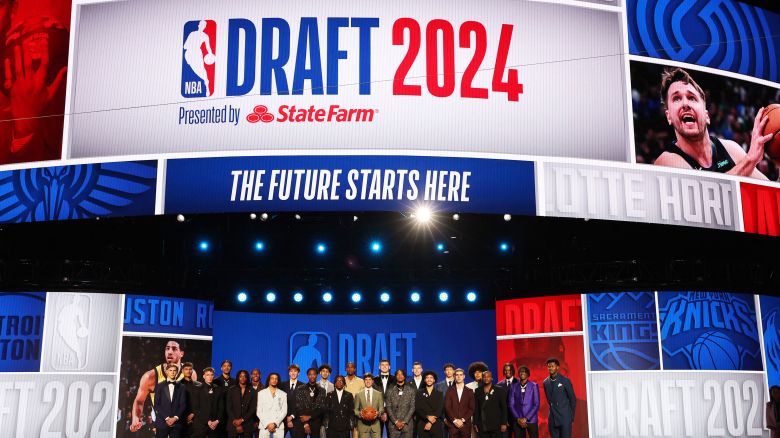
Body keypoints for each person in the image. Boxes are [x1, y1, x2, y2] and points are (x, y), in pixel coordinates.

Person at [653, 67, 773, 180]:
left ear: (707, 116)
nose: (685, 104)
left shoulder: (731, 149)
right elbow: (706, 194)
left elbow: (773, 194)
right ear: (669, 117)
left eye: (691, 98)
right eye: (676, 98)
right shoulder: (666, 162)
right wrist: (750, 160)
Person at [130, 340, 194, 432]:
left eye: (174, 349)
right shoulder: (150, 376)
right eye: (167, 349)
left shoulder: (191, 374)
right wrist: (135, 418)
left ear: (181, 353)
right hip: (161, 425)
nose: (170, 352)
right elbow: (139, 401)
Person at [541, 358, 575, 438]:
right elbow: (549, 400)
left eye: (552, 366)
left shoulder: (565, 380)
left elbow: (572, 399)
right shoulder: (545, 382)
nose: (550, 368)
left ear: (557, 367)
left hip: (565, 418)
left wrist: (571, 417)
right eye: (549, 366)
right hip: (553, 418)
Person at [154, 363, 189, 438]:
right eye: (170, 370)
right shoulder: (159, 386)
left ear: (177, 372)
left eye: (174, 370)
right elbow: (157, 404)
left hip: (177, 423)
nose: (172, 372)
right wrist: (167, 418)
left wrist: (175, 418)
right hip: (162, 423)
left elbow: (183, 404)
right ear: (166, 371)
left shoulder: (182, 387)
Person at [293, 367, 328, 438]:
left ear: (317, 375)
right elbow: (299, 406)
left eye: (314, 374)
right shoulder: (300, 388)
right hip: (302, 421)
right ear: (307, 376)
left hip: (316, 421)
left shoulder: (322, 390)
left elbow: (321, 407)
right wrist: (305, 423)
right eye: (310, 374)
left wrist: (310, 417)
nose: (312, 376)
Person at [191, 367, 224, 438]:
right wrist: (207, 421)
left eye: (211, 375)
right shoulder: (197, 389)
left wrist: (217, 421)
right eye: (208, 375)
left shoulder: (218, 390)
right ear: (204, 376)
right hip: (200, 424)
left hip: (215, 425)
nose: (210, 377)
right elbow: (195, 408)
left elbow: (221, 407)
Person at [474, 371, 507, 438]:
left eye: (488, 377)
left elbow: (504, 408)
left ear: (491, 378)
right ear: (482, 378)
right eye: (484, 377)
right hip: (483, 425)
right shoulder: (477, 391)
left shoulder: (499, 390)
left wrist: (504, 423)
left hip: (496, 425)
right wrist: (475, 423)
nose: (486, 378)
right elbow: (476, 408)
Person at [507, 367, 538, 438]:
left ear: (528, 374)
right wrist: (518, 418)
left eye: (524, 371)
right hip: (518, 420)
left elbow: (536, 404)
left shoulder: (534, 386)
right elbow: (511, 404)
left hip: (531, 419)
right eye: (520, 371)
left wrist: (526, 418)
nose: (522, 373)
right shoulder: (513, 387)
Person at [227, 370, 258, 438]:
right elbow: (228, 407)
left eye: (245, 376)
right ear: (238, 377)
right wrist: (235, 421)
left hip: (247, 424)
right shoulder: (231, 389)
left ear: (247, 378)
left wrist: (242, 420)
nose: (243, 378)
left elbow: (253, 408)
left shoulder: (252, 391)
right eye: (240, 376)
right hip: (233, 423)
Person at [385, 369, 416, 438]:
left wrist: (404, 421)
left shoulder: (411, 390)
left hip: (407, 424)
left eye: (402, 374)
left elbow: (412, 407)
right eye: (398, 374)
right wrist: (395, 421)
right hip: (393, 425)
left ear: (404, 376)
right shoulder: (390, 390)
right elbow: (388, 407)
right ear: (395, 377)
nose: (400, 376)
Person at [444, 369, 474, 438]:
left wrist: (462, 420)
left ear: (464, 376)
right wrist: (455, 420)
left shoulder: (470, 391)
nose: (459, 377)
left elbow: (471, 408)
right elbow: (447, 407)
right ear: (454, 376)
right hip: (453, 425)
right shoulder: (449, 390)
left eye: (461, 375)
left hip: (465, 425)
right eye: (457, 375)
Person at [257, 372, 288, 438]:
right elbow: (259, 412)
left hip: (278, 425)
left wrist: (275, 424)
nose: (274, 380)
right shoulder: (261, 393)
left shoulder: (283, 394)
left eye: (276, 379)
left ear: (278, 381)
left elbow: (284, 411)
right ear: (269, 380)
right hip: (264, 425)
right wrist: (267, 424)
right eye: (272, 378)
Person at [415, 371, 444, 438]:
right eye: (427, 378)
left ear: (434, 380)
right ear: (424, 380)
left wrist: (430, 422)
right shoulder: (419, 393)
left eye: (431, 378)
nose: (429, 379)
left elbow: (440, 408)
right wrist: (427, 417)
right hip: (423, 422)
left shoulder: (439, 393)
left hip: (436, 423)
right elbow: (418, 408)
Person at [354, 373, 384, 438]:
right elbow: (355, 410)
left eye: (369, 379)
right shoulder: (358, 394)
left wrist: (378, 413)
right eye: (366, 379)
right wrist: (360, 413)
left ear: (372, 381)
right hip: (363, 425)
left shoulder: (379, 394)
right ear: (364, 381)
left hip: (375, 425)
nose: (368, 381)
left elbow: (382, 409)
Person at [343, 362, 365, 438]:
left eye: (352, 367)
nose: (350, 369)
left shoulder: (361, 381)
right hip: (344, 412)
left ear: (355, 369)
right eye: (348, 367)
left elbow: (363, 397)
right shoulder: (342, 381)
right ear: (346, 369)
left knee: (355, 435)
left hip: (356, 412)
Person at [180, 362, 202, 436]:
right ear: (182, 371)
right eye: (186, 369)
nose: (188, 371)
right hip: (181, 418)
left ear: (192, 371)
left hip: (196, 418)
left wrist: (193, 414)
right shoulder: (178, 385)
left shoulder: (199, 385)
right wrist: (185, 417)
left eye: (190, 369)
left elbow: (201, 401)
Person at [280, 364, 302, 438]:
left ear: (298, 373)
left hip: (296, 420)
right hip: (283, 419)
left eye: (295, 371)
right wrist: (286, 417)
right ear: (289, 373)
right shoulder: (282, 385)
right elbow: (280, 403)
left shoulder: (303, 386)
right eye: (291, 371)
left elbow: (301, 404)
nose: (293, 373)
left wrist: (292, 416)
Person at [495, 363, 515, 438]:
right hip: (504, 419)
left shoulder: (518, 382)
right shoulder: (498, 385)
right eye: (505, 370)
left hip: (517, 419)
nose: (507, 372)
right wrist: (503, 420)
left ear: (513, 371)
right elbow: (498, 405)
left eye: (509, 370)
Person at [318, 364, 335, 438]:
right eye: (323, 371)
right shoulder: (315, 385)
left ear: (329, 374)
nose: (325, 373)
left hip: (330, 415)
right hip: (318, 415)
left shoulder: (333, 386)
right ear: (320, 373)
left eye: (327, 371)